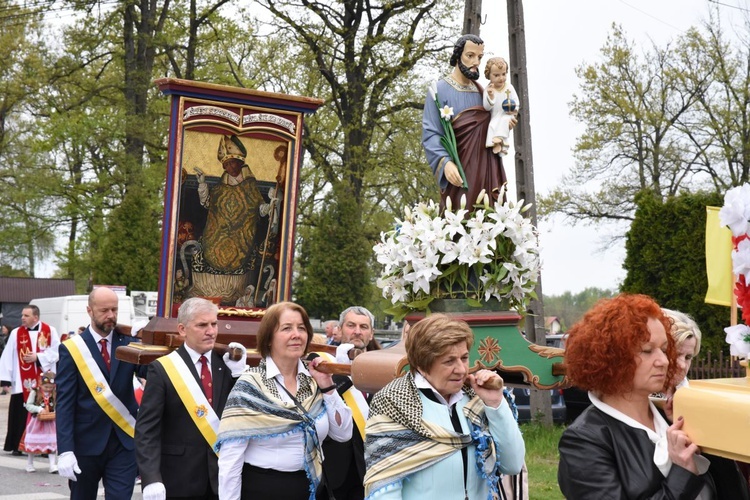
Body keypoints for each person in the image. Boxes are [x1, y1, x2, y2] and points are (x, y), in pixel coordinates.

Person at [558, 294, 716, 498]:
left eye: (665, 349)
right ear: (610, 358)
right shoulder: (584, 440)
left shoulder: (673, 417)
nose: (664, 361)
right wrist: (682, 473)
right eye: (647, 350)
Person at [363, 313, 525, 499]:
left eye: (464, 358)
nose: (461, 369)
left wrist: (495, 403)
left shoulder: (475, 400)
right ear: (423, 364)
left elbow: (512, 464)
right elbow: (384, 488)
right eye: (449, 361)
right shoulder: (393, 403)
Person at [215, 301, 352, 499]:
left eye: (302, 328)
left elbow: (343, 434)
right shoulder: (250, 385)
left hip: (312, 489)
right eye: (286, 328)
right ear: (269, 338)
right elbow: (230, 459)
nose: (296, 334)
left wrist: (328, 386)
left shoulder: (314, 382)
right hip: (263, 490)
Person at [135, 297, 247, 500]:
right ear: (182, 329)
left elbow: (242, 416)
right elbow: (147, 431)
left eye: (214, 324)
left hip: (223, 479)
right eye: (202, 325)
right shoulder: (163, 370)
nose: (211, 331)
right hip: (179, 479)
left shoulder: (227, 365)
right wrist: (151, 478)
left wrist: (240, 376)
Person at [55, 287, 147, 500]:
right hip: (85, 445)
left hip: (124, 442)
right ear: (89, 310)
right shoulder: (72, 349)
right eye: (104, 310)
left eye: (114, 310)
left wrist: (149, 342)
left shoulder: (129, 342)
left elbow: (151, 372)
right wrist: (65, 450)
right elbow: (65, 403)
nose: (111, 316)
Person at [661, 308, 750, 499]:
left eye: (688, 357)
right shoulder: (636, 404)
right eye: (675, 354)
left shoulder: (699, 399)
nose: (682, 365)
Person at [422, 34, 516, 212]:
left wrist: (504, 124)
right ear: (458, 55)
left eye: (480, 57)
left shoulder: (483, 92)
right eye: (470, 56)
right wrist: (446, 163)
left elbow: (491, 125)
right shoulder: (438, 90)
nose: (476, 62)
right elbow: (431, 134)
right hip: (459, 175)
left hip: (486, 170)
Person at [191, 134, 264, 305]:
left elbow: (259, 206)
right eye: (227, 164)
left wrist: (267, 207)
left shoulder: (250, 185)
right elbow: (207, 203)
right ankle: (212, 292)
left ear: (240, 163)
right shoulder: (220, 187)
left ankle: (236, 293)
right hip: (217, 235)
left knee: (247, 255)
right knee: (204, 253)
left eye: (233, 163)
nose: (230, 167)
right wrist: (202, 184)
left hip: (241, 238)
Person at [323, 306, 381, 500]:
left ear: (371, 334)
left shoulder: (383, 369)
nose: (357, 331)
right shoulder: (323, 364)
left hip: (372, 471)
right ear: (339, 330)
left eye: (364, 327)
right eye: (351, 325)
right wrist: (342, 371)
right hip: (335, 474)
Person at [0, 305, 60, 455]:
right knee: (19, 413)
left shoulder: (49, 331)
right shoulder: (16, 333)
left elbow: (57, 351)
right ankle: (17, 445)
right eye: (22, 315)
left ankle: (45, 447)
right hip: (22, 381)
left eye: (26, 315)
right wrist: (6, 378)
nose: (22, 318)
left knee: (44, 412)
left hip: (44, 382)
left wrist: (38, 357)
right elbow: (8, 355)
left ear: (36, 317)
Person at [21, 370, 57, 473]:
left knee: (52, 441)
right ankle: (29, 463)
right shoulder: (35, 392)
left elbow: (58, 404)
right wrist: (39, 409)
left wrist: (55, 411)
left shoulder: (54, 393)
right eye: (46, 387)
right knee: (33, 441)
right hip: (37, 421)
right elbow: (28, 405)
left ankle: (52, 464)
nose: (49, 389)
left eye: (51, 387)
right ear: (41, 383)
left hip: (50, 422)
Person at [483, 57, 519, 156]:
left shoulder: (509, 87)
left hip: (508, 114)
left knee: (504, 121)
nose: (501, 78)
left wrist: (514, 110)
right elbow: (486, 107)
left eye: (503, 74)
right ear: (489, 75)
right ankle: (496, 144)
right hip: (495, 116)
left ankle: (502, 143)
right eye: (496, 75)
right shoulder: (488, 90)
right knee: (492, 125)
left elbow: (516, 101)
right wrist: (490, 96)